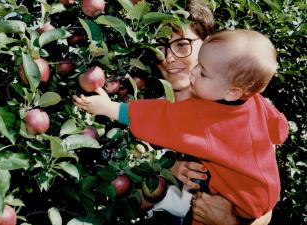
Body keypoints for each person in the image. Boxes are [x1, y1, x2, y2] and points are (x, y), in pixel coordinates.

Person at [73, 29, 289, 223]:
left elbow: (161, 116)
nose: (170, 57)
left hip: (237, 205)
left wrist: (109, 108)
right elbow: (279, 128)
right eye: (160, 47)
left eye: (183, 44)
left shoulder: (202, 115)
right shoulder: (253, 103)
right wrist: (164, 168)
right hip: (260, 197)